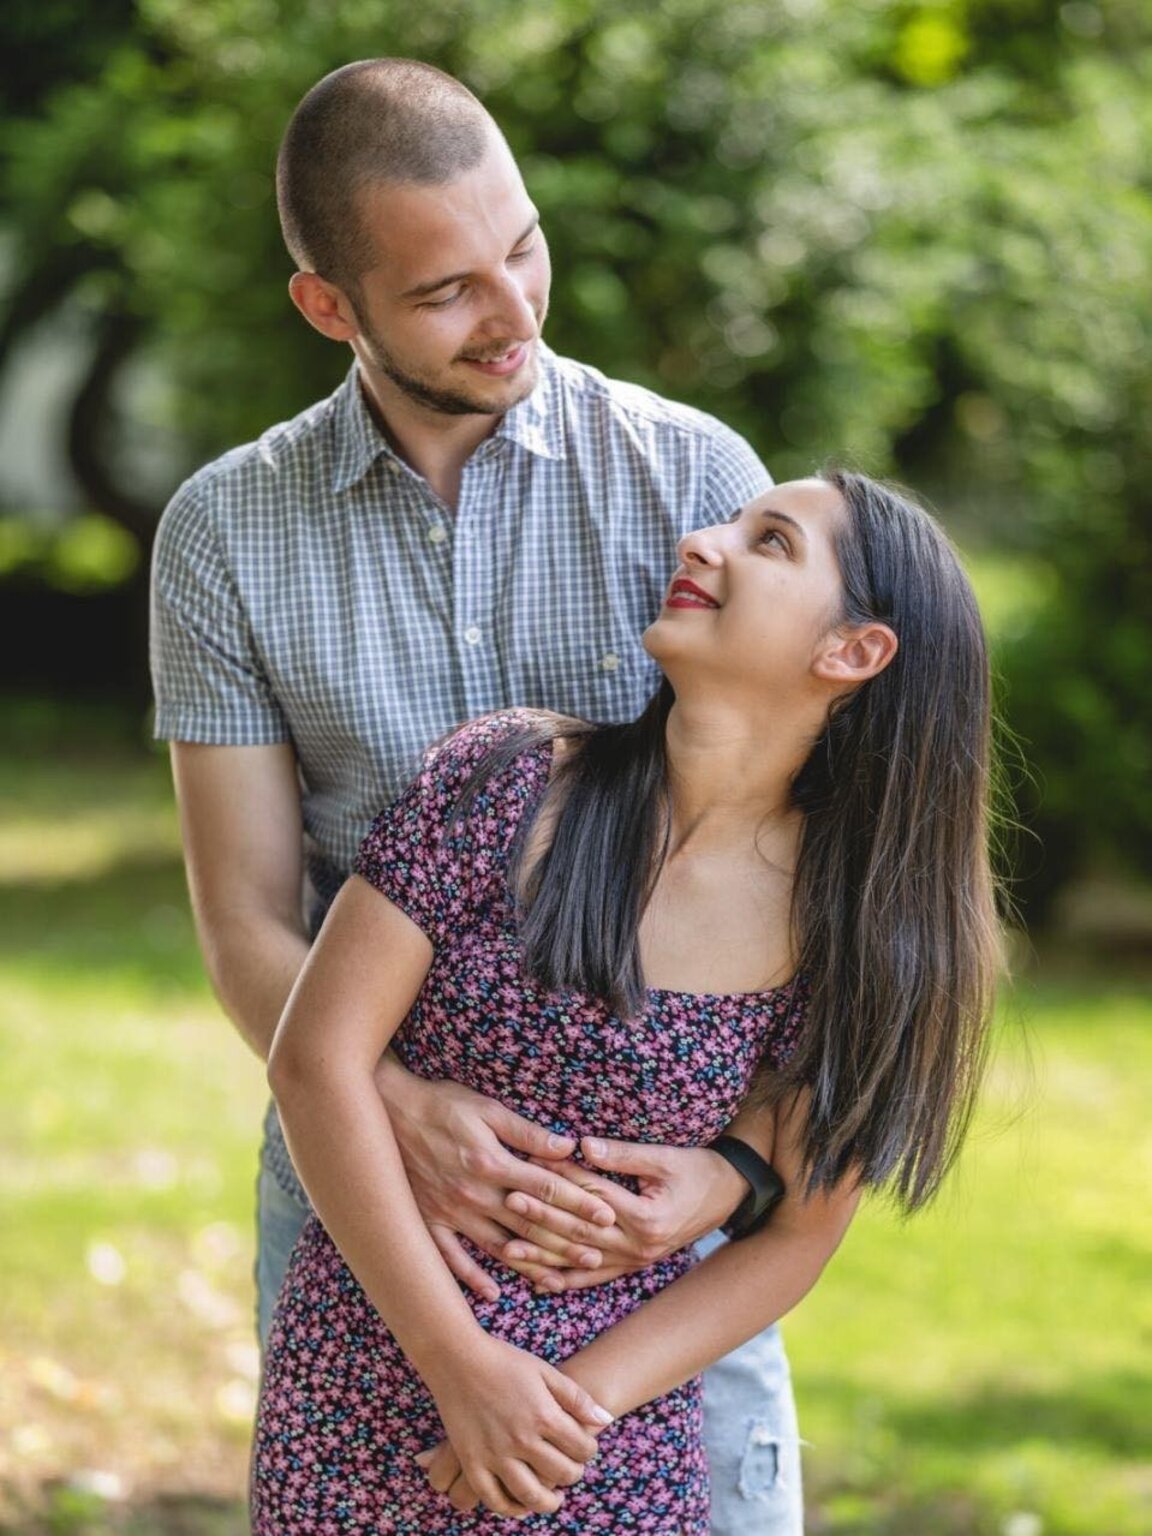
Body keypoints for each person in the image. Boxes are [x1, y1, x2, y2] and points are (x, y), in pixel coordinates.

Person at [150, 58, 805, 1533]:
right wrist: (388, 1107)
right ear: (333, 307)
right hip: (365, 1211)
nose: (515, 312)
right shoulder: (224, 534)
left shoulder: (694, 481)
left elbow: (807, 882)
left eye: (522, 246)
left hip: (651, 1226)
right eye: (447, 290)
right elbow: (248, 916)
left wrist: (734, 1178)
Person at [250, 469, 1001, 1534]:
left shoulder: (851, 926)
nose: (703, 542)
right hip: (360, 1387)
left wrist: (564, 1411)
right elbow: (314, 1060)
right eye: (731, 525)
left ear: (854, 651)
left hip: (599, 1442)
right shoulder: (502, 779)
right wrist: (457, 1363)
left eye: (771, 542)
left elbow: (798, 1228)